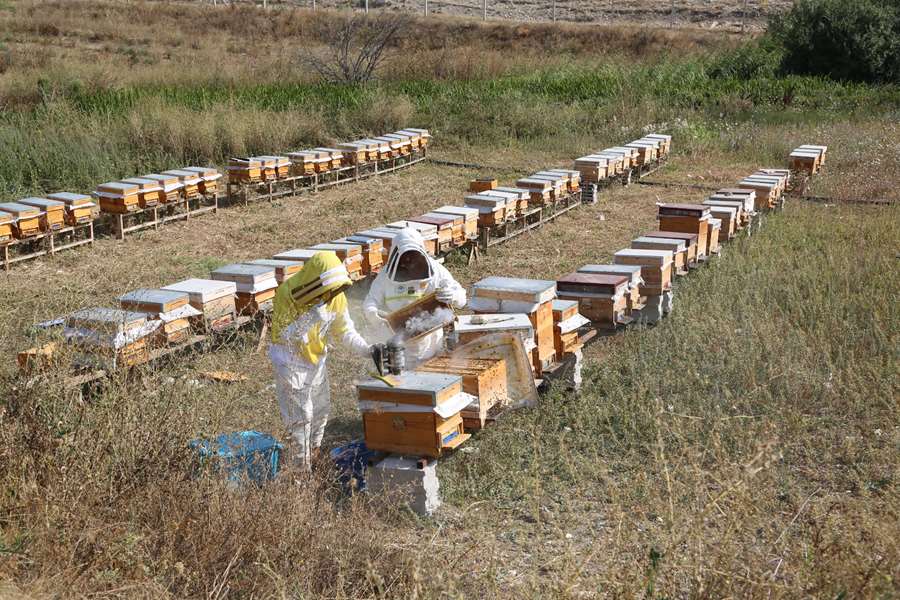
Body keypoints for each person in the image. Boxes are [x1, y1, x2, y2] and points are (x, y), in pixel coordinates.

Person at [269, 251, 372, 469]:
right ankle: (300, 469)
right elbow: (284, 336)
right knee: (301, 418)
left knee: (320, 410)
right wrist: (310, 318)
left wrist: (367, 349)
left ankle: (313, 453)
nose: (331, 294)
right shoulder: (287, 293)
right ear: (316, 281)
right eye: (328, 289)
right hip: (289, 360)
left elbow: (345, 330)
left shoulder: (336, 296)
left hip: (316, 359)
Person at [363, 227, 467, 365]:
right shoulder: (384, 277)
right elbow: (370, 302)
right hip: (399, 348)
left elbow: (462, 299)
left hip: (432, 347)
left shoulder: (437, 271)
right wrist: (374, 316)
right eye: (405, 258)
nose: (409, 263)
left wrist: (454, 296)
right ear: (395, 254)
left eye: (413, 257)